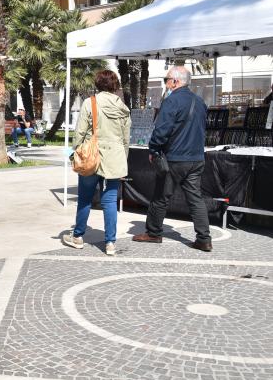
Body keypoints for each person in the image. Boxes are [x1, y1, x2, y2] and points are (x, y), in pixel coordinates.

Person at [133, 66, 211, 251]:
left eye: (166, 79)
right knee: (195, 199)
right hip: (196, 158)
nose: (165, 83)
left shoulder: (171, 101)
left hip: (176, 158)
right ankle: (204, 238)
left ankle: (153, 233)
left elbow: (161, 131)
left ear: (175, 81)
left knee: (161, 196)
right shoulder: (200, 102)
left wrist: (153, 149)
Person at [62, 70, 130, 256]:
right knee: (109, 201)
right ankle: (110, 243)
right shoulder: (122, 106)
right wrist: (123, 158)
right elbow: (126, 138)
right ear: (115, 85)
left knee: (85, 198)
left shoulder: (90, 102)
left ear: (98, 84)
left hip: (92, 156)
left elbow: (80, 133)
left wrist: (75, 153)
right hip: (115, 157)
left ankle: (78, 236)